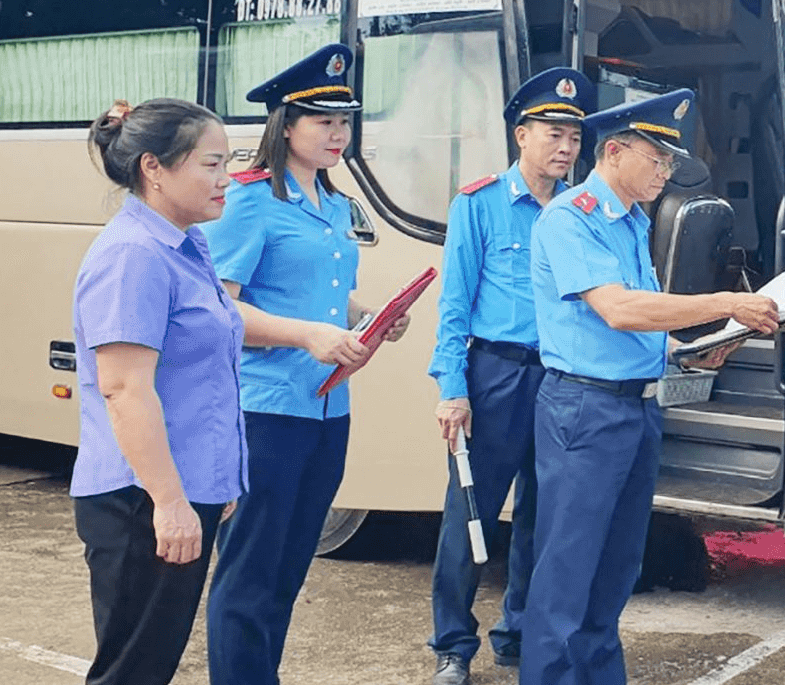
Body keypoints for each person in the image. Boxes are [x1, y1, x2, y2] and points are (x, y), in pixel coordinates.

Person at [521, 88, 780, 685]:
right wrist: (721, 302)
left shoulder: (633, 221)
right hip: (584, 408)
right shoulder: (571, 218)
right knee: (567, 574)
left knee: (615, 572)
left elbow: (643, 331)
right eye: (657, 159)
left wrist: (700, 347)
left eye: (670, 163)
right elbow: (618, 309)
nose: (666, 173)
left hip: (634, 409)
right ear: (613, 152)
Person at [203, 44, 409, 685]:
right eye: (324, 121)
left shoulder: (332, 203)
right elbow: (219, 312)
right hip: (265, 411)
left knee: (290, 568)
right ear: (285, 125)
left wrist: (366, 316)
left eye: (345, 121)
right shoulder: (248, 201)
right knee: (249, 572)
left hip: (327, 408)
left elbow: (319, 289)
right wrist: (308, 336)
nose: (339, 134)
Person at [427, 67, 597, 685]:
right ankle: (452, 645)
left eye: (575, 139)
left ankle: (519, 634)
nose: (565, 149)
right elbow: (454, 305)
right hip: (494, 373)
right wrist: (452, 388)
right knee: (470, 512)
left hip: (561, 380)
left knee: (543, 517)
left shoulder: (583, 212)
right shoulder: (479, 204)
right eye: (554, 133)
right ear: (521, 135)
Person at [71, 98, 246, 685]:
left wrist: (210, 480)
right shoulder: (133, 256)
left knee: (149, 664)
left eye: (229, 163)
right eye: (212, 165)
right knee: (131, 671)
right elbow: (123, 390)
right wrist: (171, 504)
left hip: (175, 485)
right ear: (154, 167)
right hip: (139, 498)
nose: (227, 180)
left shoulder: (185, 242)